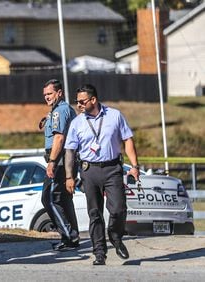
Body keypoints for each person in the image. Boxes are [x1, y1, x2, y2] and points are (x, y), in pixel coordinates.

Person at [64, 84, 140, 265]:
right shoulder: (77, 123)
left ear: (93, 100)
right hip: (89, 171)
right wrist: (69, 176)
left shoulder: (114, 116)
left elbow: (127, 140)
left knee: (119, 209)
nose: (79, 105)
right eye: (77, 102)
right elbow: (69, 151)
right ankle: (99, 253)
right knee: (94, 213)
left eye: (82, 102)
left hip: (112, 169)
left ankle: (115, 235)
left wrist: (135, 166)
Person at [40, 79, 80, 251]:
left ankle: (68, 235)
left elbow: (59, 138)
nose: (47, 98)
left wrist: (52, 162)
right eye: (45, 95)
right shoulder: (60, 110)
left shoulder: (60, 111)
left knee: (49, 198)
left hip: (60, 159)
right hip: (64, 158)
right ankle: (73, 237)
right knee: (64, 199)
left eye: (50, 94)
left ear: (59, 93)